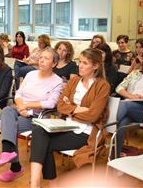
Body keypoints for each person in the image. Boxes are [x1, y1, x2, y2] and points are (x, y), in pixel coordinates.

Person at [30, 48, 110, 187]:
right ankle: (36, 183)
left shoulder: (102, 85)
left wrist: (71, 108)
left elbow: (93, 115)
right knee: (38, 131)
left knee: (43, 143)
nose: (80, 65)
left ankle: (47, 183)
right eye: (80, 62)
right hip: (66, 125)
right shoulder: (74, 81)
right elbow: (60, 106)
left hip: (85, 132)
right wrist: (79, 109)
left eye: (85, 63)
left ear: (96, 66)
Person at [0, 48, 63, 182]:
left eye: (46, 58)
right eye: (41, 57)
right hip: (20, 109)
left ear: (54, 64)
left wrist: (27, 106)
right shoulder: (31, 74)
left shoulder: (57, 81)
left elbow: (50, 104)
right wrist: (21, 107)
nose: (41, 60)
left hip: (37, 117)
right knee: (7, 111)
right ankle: (8, 151)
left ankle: (15, 167)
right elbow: (19, 93)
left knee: (9, 126)